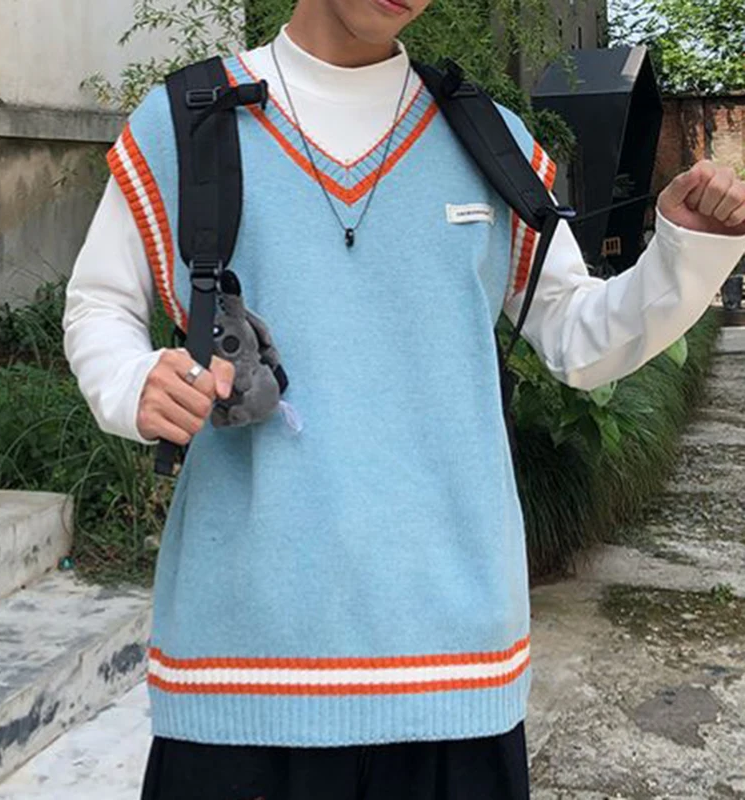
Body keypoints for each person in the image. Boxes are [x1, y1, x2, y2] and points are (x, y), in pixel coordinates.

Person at [62, 0, 745, 797]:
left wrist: (688, 253)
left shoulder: (484, 136)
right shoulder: (189, 120)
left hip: (455, 671)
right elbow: (100, 304)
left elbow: (579, 339)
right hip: (240, 666)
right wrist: (131, 382)